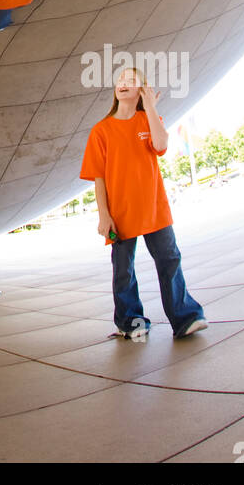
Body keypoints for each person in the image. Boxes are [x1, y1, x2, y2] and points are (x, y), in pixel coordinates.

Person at [80, 69, 207, 341]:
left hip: (154, 208)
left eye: (130, 81)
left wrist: (150, 107)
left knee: (170, 260)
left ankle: (185, 317)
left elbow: (160, 144)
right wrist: (104, 216)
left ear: (141, 90)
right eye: (119, 81)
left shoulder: (147, 119)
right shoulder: (101, 130)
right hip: (120, 212)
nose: (122, 84)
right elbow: (98, 178)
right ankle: (130, 322)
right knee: (123, 270)